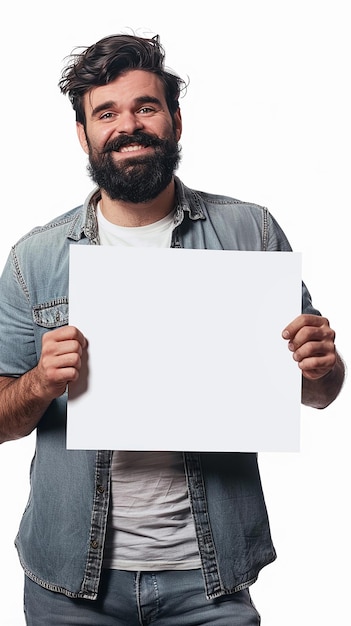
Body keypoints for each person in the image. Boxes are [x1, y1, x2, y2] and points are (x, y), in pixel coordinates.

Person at [0, 33, 345, 626]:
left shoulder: (249, 232)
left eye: (146, 106)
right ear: (83, 135)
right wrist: (38, 383)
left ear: (175, 120)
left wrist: (321, 367)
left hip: (211, 583)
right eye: (106, 113)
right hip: (69, 585)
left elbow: (318, 392)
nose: (127, 125)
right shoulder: (37, 258)